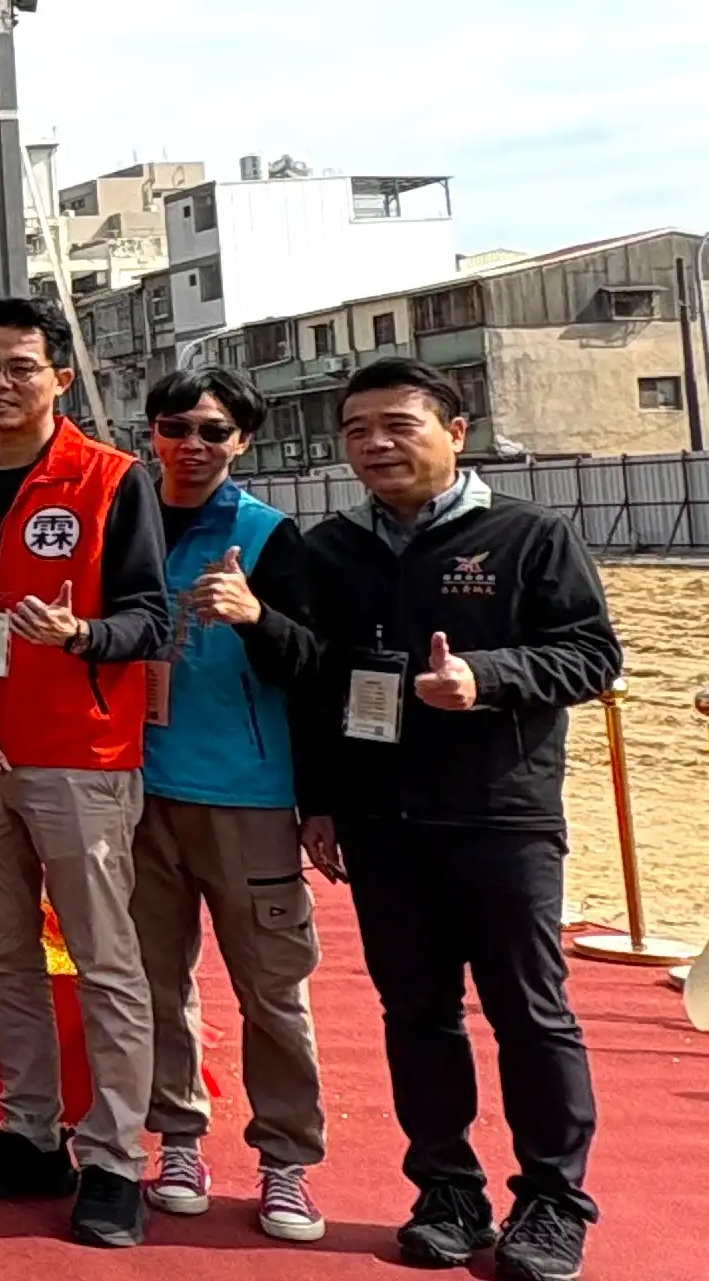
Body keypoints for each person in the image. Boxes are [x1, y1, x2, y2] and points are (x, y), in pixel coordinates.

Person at [273, 358, 619, 1281]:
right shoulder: (329, 549)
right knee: (416, 1012)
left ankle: (550, 1202)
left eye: (397, 424)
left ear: (454, 432)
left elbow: (590, 655)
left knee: (530, 1013)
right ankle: (445, 1188)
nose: (374, 445)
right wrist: (320, 804)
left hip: (498, 816)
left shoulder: (528, 535)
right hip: (382, 822)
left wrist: (485, 678)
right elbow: (312, 684)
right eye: (356, 430)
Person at [0, 293, 169, 1248]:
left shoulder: (108, 479)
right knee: (2, 958)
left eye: (20, 366)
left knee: (104, 962)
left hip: (79, 759)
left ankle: (111, 1158)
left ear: (60, 376)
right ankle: (28, 1133)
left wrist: (82, 635)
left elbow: (152, 618)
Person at [125, 369, 329, 1241]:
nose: (192, 445)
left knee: (271, 989)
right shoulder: (120, 523)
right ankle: (176, 1137)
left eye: (213, 431)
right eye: (176, 428)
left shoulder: (272, 537)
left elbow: (318, 668)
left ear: (241, 440)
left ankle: (285, 1160)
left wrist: (255, 618)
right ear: (151, 436)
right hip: (135, 790)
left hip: (245, 796)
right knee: (154, 982)